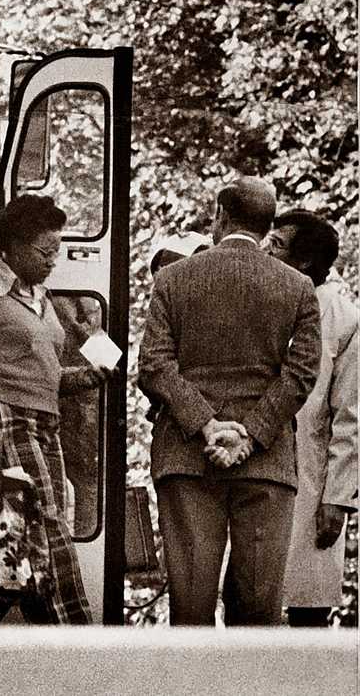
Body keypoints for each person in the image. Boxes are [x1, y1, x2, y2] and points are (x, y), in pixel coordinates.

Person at [137, 175, 320, 625]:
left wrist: (207, 425)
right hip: (266, 464)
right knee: (258, 612)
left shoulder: (172, 279)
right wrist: (250, 434)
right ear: (267, 227)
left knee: (191, 606)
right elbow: (302, 373)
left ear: (220, 216)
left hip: (186, 457)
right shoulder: (298, 287)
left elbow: (155, 365)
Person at [0, 193, 111, 623]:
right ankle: (73, 634)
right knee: (48, 526)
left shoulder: (42, 299)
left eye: (56, 250)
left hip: (44, 425)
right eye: (45, 251)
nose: (52, 260)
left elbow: (49, 378)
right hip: (6, 419)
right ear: (14, 246)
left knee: (30, 531)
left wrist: (93, 375)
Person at [265, 208, 356, 626]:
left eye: (277, 242)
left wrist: (337, 500)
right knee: (248, 600)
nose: (264, 246)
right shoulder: (259, 296)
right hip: (256, 472)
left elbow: (350, 417)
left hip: (312, 480)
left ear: (303, 262)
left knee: (307, 610)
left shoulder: (343, 317)